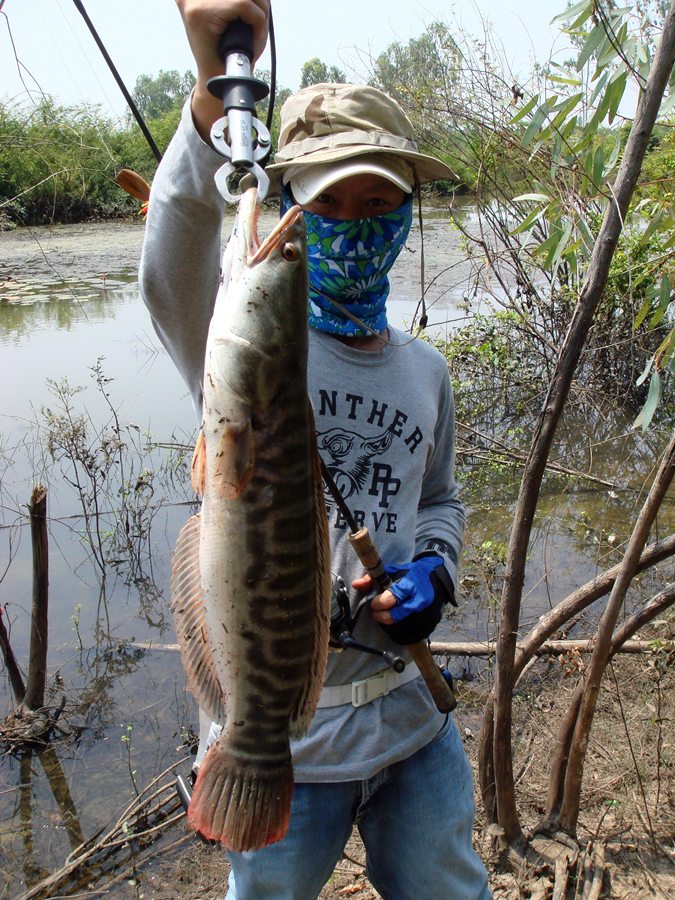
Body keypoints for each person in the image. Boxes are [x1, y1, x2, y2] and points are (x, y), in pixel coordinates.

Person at [140, 1, 491, 897]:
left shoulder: (423, 370)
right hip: (280, 740)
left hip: (410, 719)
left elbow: (440, 499)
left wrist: (436, 577)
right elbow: (172, 259)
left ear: (409, 212)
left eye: (379, 201)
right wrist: (209, 101)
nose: (354, 220)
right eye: (327, 200)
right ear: (289, 202)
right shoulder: (233, 344)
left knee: (451, 887)